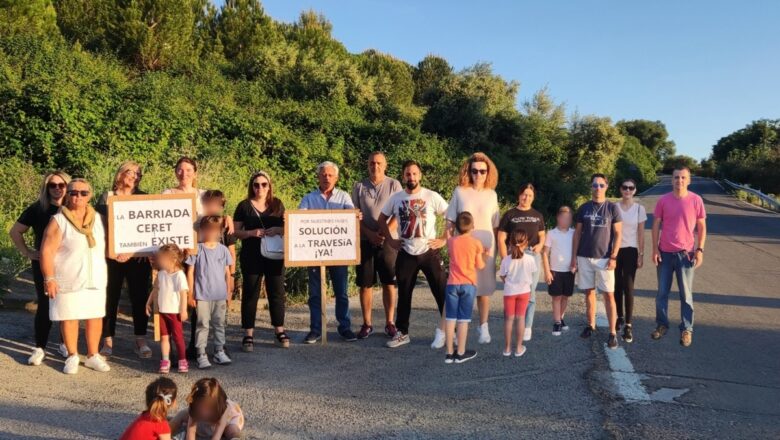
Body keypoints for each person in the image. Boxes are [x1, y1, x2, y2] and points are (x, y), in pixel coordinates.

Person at [40, 178, 110, 374]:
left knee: (95, 316)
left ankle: (93, 355)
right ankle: (72, 355)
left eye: (83, 193)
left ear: (90, 195)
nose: (78, 196)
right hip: (68, 277)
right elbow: (46, 251)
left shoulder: (98, 218)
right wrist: (49, 278)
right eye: (73, 192)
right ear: (67, 194)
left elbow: (110, 245)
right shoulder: (58, 220)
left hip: (94, 276)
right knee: (69, 317)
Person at [379, 160, 449, 349]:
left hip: (429, 252)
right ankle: (402, 333)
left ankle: (451, 332)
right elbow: (381, 219)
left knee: (441, 292)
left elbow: (452, 216)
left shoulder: (431, 196)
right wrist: (390, 240)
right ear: (403, 176)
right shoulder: (396, 197)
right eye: (408, 174)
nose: (411, 177)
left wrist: (444, 239)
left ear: (420, 175)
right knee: (404, 294)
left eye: (415, 174)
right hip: (406, 252)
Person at [9, 171, 71, 365]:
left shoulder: (74, 208)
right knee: (45, 305)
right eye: (52, 185)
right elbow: (15, 231)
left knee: (67, 305)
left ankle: (65, 345)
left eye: (61, 185)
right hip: (44, 264)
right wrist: (27, 252)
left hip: (69, 263)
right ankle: (40, 348)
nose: (57, 189)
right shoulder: (38, 209)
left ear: (68, 186)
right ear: (46, 188)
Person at [95, 161, 153, 358]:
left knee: (140, 297)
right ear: (120, 173)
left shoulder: (145, 198)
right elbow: (101, 228)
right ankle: (108, 339)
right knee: (110, 297)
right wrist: (110, 252)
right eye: (130, 172)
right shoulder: (107, 197)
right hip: (112, 256)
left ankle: (140, 339)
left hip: (137, 258)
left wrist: (136, 252)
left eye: (138, 174)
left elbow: (149, 228)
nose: (134, 176)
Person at [298, 161, 359, 343]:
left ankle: (345, 328)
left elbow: (351, 214)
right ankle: (315, 329)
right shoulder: (308, 198)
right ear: (318, 176)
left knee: (342, 292)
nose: (327, 178)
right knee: (315, 293)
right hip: (315, 253)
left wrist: (355, 215)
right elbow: (299, 218)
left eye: (330, 175)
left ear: (336, 178)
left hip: (339, 253)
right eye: (323, 174)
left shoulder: (344, 197)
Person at [445, 152, 500, 345]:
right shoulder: (459, 192)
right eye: (474, 170)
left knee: (483, 291)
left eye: (482, 171)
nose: (478, 174)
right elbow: (450, 221)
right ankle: (449, 330)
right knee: (458, 289)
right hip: (463, 249)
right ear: (468, 171)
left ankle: (483, 327)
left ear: (488, 173)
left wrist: (497, 251)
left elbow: (495, 225)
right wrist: (449, 245)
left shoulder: (492, 195)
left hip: (486, 249)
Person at [233, 171, 289, 350]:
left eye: (264, 184)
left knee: (277, 292)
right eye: (256, 185)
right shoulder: (243, 206)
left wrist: (278, 230)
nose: (260, 188)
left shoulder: (277, 204)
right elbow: (235, 232)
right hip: (252, 254)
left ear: (269, 186)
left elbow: (289, 226)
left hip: (275, 254)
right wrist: (251, 233)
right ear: (251, 186)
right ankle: (248, 333)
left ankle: (279, 329)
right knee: (250, 293)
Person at [651, 166, 706, 347]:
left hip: (686, 254)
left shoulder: (696, 200)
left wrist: (700, 250)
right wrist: (655, 249)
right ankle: (662, 325)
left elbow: (702, 227)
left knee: (686, 295)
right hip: (665, 254)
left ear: (688, 180)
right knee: (662, 294)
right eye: (676, 177)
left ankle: (686, 329)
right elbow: (656, 225)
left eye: (683, 177)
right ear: (671, 179)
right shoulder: (663, 200)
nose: (679, 181)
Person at [351, 151, 403, 339]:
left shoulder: (394, 185)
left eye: (379, 163)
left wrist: (383, 233)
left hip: (388, 241)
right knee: (366, 284)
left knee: (389, 281)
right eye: (372, 163)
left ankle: (390, 323)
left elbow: (399, 213)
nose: (375, 166)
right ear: (368, 164)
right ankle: (367, 324)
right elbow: (354, 215)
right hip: (366, 240)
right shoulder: (359, 186)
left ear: (385, 165)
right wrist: (370, 234)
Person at [571, 174, 623, 349]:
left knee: (609, 295)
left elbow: (618, 234)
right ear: (591, 187)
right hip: (584, 256)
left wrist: (614, 256)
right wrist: (573, 258)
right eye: (595, 185)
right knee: (589, 293)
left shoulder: (612, 208)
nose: (598, 188)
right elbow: (577, 234)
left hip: (605, 258)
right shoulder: (584, 208)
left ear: (607, 186)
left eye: (601, 185)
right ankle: (590, 325)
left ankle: (612, 333)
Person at [184, 190, 237, 358]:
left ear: (221, 206)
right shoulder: (197, 223)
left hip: (219, 286)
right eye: (208, 204)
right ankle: (198, 349)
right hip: (201, 282)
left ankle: (220, 349)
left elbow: (231, 254)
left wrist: (232, 279)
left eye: (215, 204)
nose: (211, 207)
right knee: (200, 320)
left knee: (219, 320)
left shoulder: (226, 226)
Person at [497, 183, 545, 342]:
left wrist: (540, 245)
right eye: (524, 194)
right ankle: (511, 325)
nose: (526, 198)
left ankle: (527, 326)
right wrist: (504, 259)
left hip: (532, 255)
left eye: (530, 195)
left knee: (530, 292)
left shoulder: (537, 215)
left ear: (534, 197)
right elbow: (501, 238)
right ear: (519, 195)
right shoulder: (510, 214)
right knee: (512, 291)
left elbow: (542, 235)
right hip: (514, 256)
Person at [444, 212, 484, 364]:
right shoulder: (476, 243)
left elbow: (450, 247)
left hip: (452, 283)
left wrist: (449, 230)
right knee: (463, 320)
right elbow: (480, 265)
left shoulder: (452, 241)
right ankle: (460, 352)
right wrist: (484, 255)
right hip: (468, 284)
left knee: (450, 319)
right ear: (472, 226)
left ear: (457, 227)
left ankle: (449, 353)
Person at [145, 244, 189, 374]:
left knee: (178, 337)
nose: (160, 262)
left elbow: (183, 294)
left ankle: (182, 360)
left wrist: (183, 310)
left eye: (163, 259)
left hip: (175, 312)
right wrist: (148, 303)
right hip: (162, 311)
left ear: (173, 259)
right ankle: (165, 360)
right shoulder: (161, 274)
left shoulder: (179, 275)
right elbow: (155, 289)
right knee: (164, 337)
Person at [614, 179, 647, 343]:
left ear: (634, 190)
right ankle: (618, 317)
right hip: (615, 250)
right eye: (624, 187)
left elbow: (641, 233)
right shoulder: (614, 207)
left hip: (631, 250)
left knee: (628, 286)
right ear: (620, 189)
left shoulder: (640, 209)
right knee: (616, 286)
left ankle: (628, 324)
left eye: (631, 188)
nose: (627, 190)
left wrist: (641, 254)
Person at [499, 230, 537, 358]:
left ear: (510, 243)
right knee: (520, 318)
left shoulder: (506, 260)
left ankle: (507, 348)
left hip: (509, 292)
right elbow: (532, 274)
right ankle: (519, 348)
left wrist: (509, 282)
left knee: (509, 319)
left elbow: (502, 276)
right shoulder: (530, 259)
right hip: (524, 292)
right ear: (526, 244)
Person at [170, 377, 245, 440]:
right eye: (200, 408)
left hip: (228, 421)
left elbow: (218, 433)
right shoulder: (194, 407)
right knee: (182, 414)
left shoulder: (223, 409)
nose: (204, 412)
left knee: (232, 430)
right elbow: (191, 429)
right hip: (205, 421)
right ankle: (166, 430)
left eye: (207, 408)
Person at [542, 206, 576, 336]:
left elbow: (576, 251)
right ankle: (556, 322)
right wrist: (547, 271)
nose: (565, 221)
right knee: (556, 297)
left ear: (571, 220)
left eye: (568, 218)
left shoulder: (574, 233)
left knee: (565, 296)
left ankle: (561, 318)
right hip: (555, 270)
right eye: (563, 218)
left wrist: (575, 264)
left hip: (569, 271)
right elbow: (545, 253)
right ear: (558, 218)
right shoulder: (551, 233)